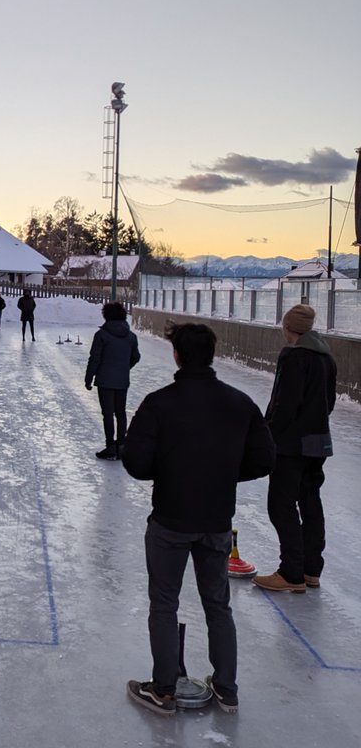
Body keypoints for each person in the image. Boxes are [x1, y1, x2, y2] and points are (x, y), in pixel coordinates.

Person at [122, 323, 275, 716]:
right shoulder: (239, 403)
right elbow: (263, 458)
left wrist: (173, 469)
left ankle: (164, 690)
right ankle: (226, 688)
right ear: (212, 354)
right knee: (218, 604)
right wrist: (222, 472)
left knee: (164, 604)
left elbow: (136, 462)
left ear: (177, 355)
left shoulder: (159, 403)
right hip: (216, 520)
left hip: (171, 519)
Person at [253, 304, 337, 593]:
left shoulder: (294, 357)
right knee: (310, 500)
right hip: (318, 441)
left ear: (288, 328)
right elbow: (330, 402)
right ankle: (311, 569)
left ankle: (291, 571)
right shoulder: (327, 358)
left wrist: (268, 434)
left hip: (291, 445)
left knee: (281, 504)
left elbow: (284, 404)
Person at [84, 301, 141, 460]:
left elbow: (94, 359)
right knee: (120, 412)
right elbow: (136, 357)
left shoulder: (101, 335)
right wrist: (125, 367)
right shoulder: (131, 336)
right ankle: (121, 445)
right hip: (122, 381)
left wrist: (89, 378)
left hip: (104, 381)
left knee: (108, 413)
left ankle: (110, 446)